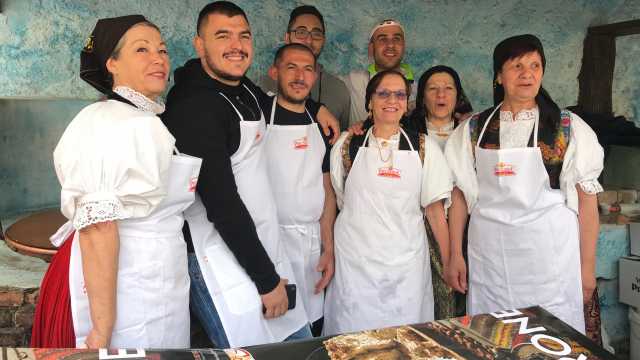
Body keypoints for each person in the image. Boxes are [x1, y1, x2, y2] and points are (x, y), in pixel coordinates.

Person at [162, 1, 338, 348]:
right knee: (253, 354)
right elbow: (221, 204)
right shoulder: (194, 107)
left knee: (296, 348)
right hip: (219, 256)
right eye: (222, 36)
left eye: (244, 36)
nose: (236, 45)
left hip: (259, 246)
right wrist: (265, 280)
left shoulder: (240, 89)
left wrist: (317, 108)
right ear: (200, 45)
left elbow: (277, 98)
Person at [31, 15, 201, 349]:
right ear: (112, 63)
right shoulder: (114, 123)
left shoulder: (141, 119)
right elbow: (98, 228)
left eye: (162, 50)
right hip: (126, 293)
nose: (158, 58)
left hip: (153, 283)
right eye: (142, 49)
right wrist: (101, 329)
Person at [444, 34, 603, 334]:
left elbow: (587, 199)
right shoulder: (473, 129)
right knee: (494, 335)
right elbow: (459, 195)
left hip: (550, 260)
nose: (527, 73)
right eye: (517, 65)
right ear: (499, 76)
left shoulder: (566, 127)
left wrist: (587, 269)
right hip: (491, 258)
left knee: (552, 338)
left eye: (535, 65)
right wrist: (455, 254)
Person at [323, 70, 452, 335]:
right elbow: (335, 201)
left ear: (406, 103)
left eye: (399, 94)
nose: (391, 100)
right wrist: (328, 251)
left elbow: (435, 213)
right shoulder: (348, 145)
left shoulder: (424, 147)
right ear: (369, 101)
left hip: (406, 264)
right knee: (352, 338)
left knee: (405, 338)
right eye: (383, 93)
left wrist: (449, 262)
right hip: (355, 262)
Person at [262, 43, 336, 334]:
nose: (299, 76)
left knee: (312, 328)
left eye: (307, 69)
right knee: (274, 332)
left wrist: (328, 248)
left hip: (311, 247)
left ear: (316, 76)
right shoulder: (257, 114)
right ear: (274, 72)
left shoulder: (322, 128)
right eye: (291, 67)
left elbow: (327, 191)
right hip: (270, 245)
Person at [258, 5, 351, 130]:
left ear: (323, 40)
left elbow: (341, 142)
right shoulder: (262, 84)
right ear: (287, 37)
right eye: (301, 32)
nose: (308, 40)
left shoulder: (338, 90)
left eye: (316, 34)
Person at [343, 19, 417, 125]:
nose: (390, 45)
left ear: (404, 47)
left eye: (397, 39)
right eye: (382, 39)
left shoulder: (419, 90)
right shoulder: (354, 81)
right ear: (371, 48)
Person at [407, 65, 473, 149]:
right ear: (422, 98)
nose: (441, 94)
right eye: (433, 88)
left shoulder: (471, 132)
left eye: (448, 88)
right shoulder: (407, 132)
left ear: (458, 96)